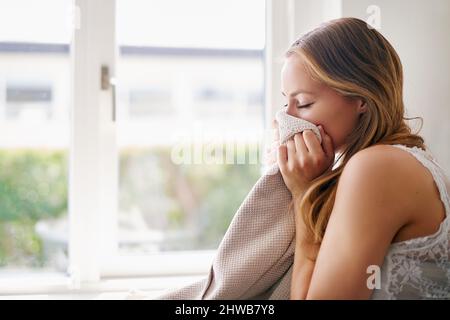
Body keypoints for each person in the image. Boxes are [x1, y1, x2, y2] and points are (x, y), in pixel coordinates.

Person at [265, 17, 450, 299]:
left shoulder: (376, 168)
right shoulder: (396, 161)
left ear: (361, 99)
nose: (286, 118)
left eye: (303, 103)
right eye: (285, 102)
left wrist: (303, 194)